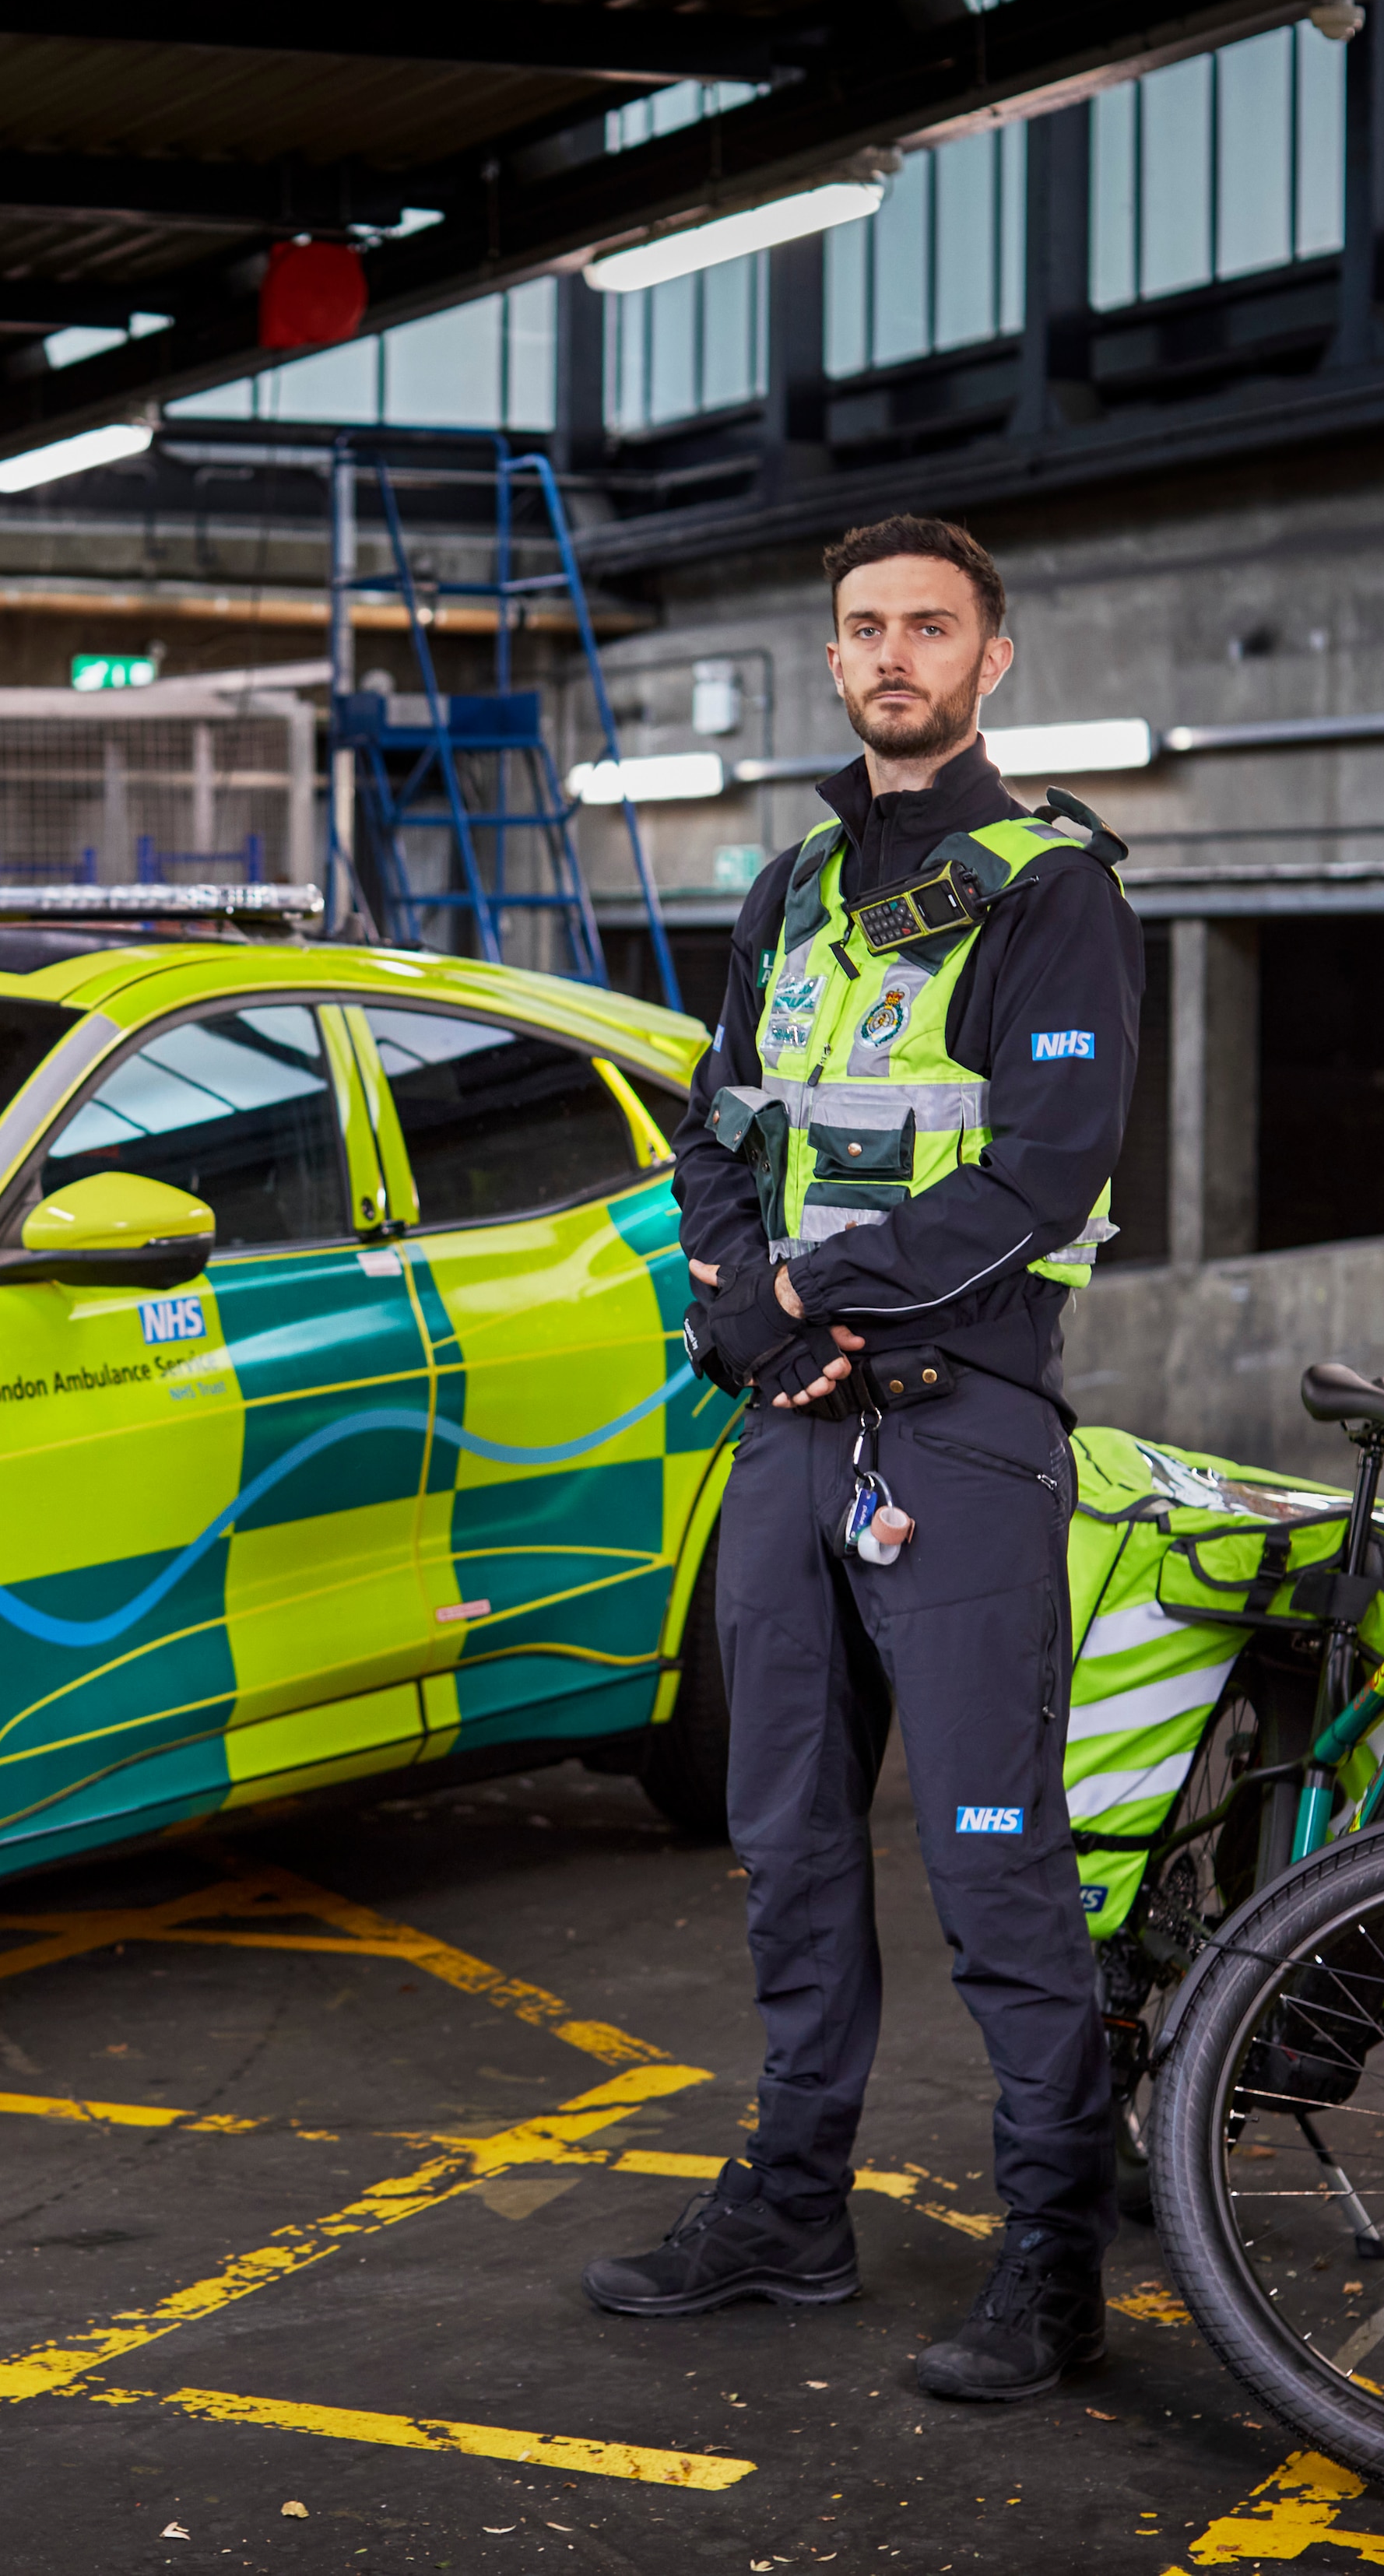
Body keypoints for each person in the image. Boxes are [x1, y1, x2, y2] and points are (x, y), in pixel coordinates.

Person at [579, 514, 1145, 2402]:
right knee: (785, 1844)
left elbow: (1039, 1170)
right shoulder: (793, 882)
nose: (890, 653)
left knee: (996, 1864)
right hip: (786, 1437)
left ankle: (1052, 2264)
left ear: (994, 660)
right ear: (833, 663)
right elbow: (714, 1132)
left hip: (964, 1432)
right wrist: (742, 1300)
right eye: (861, 628)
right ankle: (794, 2209)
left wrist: (821, 1303)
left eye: (927, 626)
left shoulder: (1054, 892)